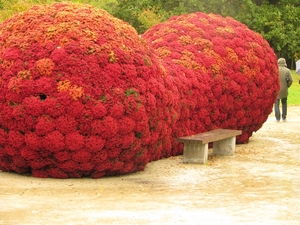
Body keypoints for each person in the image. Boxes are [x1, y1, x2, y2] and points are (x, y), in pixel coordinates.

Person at [274, 58, 293, 122]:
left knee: (276, 103)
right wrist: (287, 85)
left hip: (277, 89)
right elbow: (291, 80)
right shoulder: (288, 71)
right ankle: (284, 117)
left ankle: (277, 118)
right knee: (284, 103)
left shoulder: (275, 70)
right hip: (284, 89)